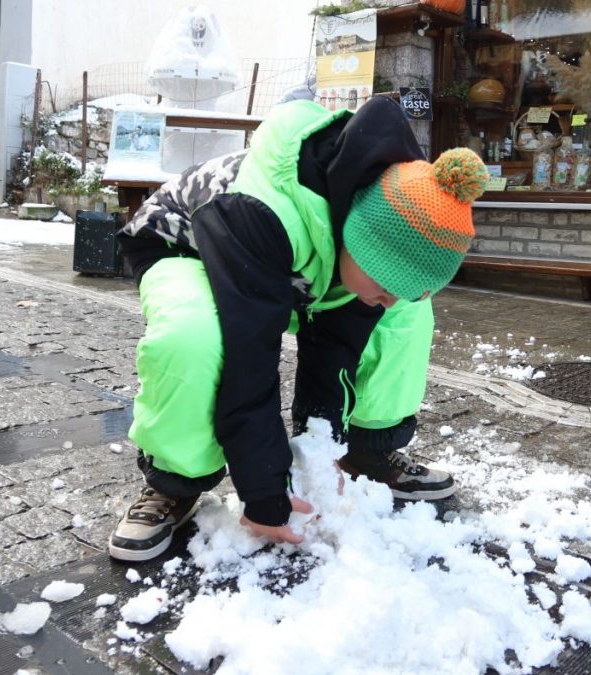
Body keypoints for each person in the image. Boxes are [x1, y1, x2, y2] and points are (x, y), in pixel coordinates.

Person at [108, 95, 488, 561]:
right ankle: (175, 480)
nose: (389, 293)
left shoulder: (383, 208)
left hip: (299, 268)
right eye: (389, 282)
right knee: (198, 337)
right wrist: (266, 493)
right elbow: (252, 359)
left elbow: (334, 349)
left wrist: (318, 456)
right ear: (360, 242)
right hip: (190, 248)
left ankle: (370, 448)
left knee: (405, 316)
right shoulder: (261, 210)